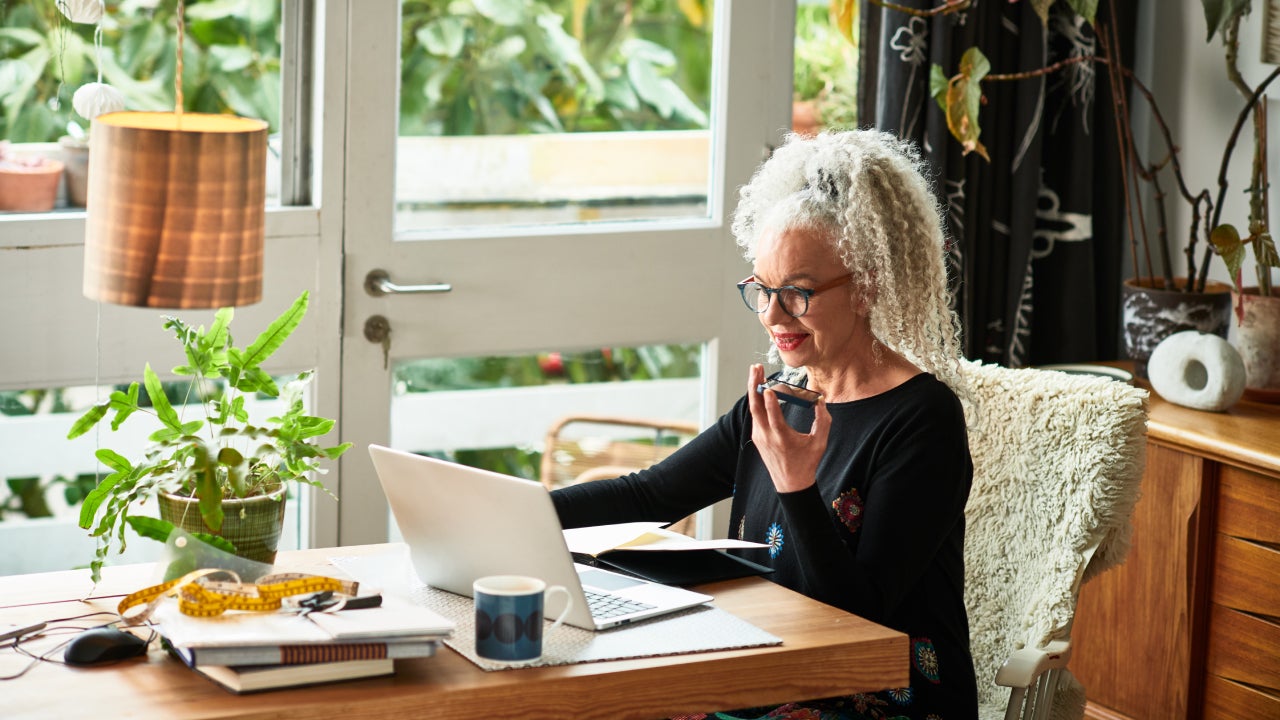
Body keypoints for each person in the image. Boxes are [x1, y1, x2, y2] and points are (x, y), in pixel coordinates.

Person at [551, 129, 978, 719]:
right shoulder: (779, 397)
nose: (773, 315)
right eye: (761, 289)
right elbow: (650, 494)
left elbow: (861, 615)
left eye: (797, 293)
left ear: (868, 286)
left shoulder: (923, 420)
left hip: (877, 696)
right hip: (767, 665)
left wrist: (796, 486)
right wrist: (519, 515)